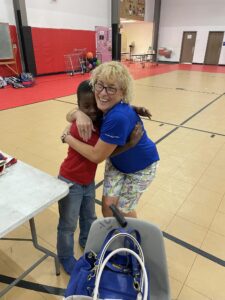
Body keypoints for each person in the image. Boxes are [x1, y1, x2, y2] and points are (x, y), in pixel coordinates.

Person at [57, 80, 143, 275]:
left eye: (94, 106)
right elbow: (101, 153)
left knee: (89, 217)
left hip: (87, 182)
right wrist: (129, 144)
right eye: (85, 107)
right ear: (78, 106)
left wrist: (132, 109)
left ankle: (87, 242)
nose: (92, 111)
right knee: (68, 224)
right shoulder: (81, 127)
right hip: (70, 181)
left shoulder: (97, 121)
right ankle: (64, 256)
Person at [62, 61, 159, 220]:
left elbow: (96, 156)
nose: (103, 93)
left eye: (111, 88)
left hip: (141, 167)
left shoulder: (117, 117)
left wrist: (67, 138)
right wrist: (78, 114)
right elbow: (73, 112)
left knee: (124, 210)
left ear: (123, 92)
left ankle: (132, 238)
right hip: (117, 162)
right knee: (107, 205)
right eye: (100, 85)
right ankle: (113, 234)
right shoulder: (103, 107)